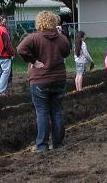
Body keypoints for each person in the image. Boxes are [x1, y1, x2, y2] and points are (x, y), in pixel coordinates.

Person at [16, 11, 71, 153]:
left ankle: (42, 145)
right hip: (59, 79)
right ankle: (58, 143)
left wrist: (33, 61)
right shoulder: (62, 38)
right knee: (57, 111)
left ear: (39, 22)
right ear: (54, 22)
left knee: (42, 112)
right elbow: (66, 52)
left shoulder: (34, 38)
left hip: (40, 80)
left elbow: (20, 49)